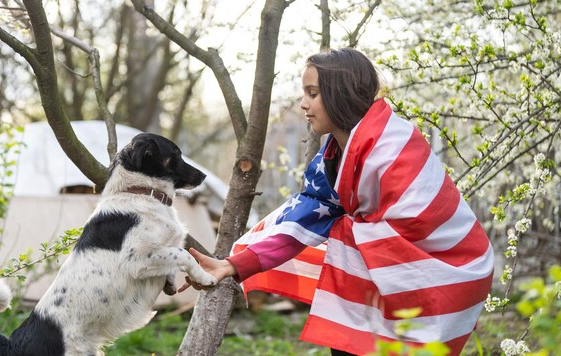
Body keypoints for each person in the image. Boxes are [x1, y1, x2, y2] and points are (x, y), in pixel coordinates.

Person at [179, 48, 494, 355]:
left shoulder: (394, 145)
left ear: (340, 93)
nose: (303, 104)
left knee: (345, 236)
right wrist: (233, 264)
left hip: (444, 264)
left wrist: (349, 230)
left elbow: (416, 221)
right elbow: (304, 217)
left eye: (312, 93)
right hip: (381, 268)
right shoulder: (331, 156)